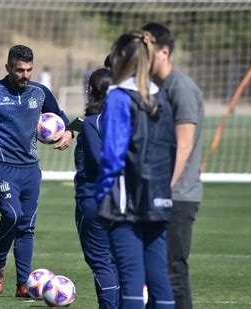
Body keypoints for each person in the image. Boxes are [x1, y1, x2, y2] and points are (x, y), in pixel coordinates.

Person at [0, 45, 72, 298]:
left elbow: (62, 119)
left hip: (31, 168)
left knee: (27, 226)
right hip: (2, 166)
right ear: (8, 68)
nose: (25, 75)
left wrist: (68, 132)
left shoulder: (40, 93)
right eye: (20, 70)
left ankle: (24, 284)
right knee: (12, 215)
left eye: (29, 70)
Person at [95, 31, 176, 308]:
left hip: (124, 200)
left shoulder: (118, 96)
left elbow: (113, 154)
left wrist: (102, 195)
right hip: (160, 194)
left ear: (121, 59)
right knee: (159, 279)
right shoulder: (161, 96)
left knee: (130, 278)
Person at [143, 22, 204, 309]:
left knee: (172, 271)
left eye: (147, 50)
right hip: (158, 193)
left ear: (164, 51)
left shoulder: (181, 88)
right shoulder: (155, 88)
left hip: (177, 196)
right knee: (153, 271)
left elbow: (185, 145)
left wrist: (163, 190)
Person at [74, 68, 118, 308]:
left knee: (101, 262)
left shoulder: (92, 124)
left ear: (90, 90)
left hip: (93, 197)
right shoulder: (126, 120)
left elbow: (100, 160)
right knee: (114, 261)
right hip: (122, 199)